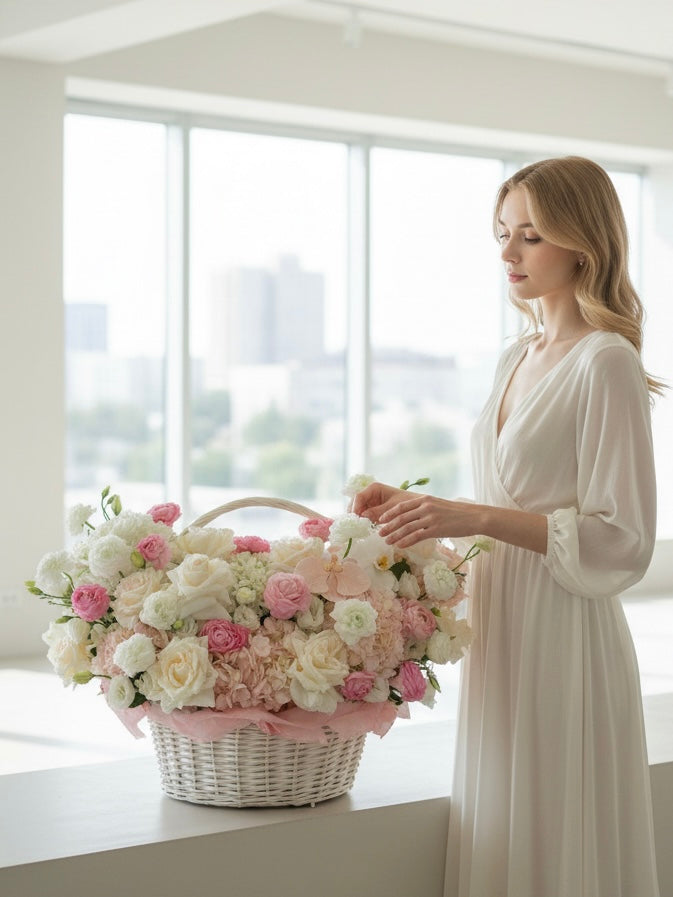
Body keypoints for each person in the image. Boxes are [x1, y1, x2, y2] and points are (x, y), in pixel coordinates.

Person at [353, 156, 663, 897]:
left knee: (557, 814)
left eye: (529, 235)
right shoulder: (513, 356)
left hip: (562, 624)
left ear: (581, 243)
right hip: (501, 619)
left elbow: (623, 536)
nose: (507, 253)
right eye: (502, 233)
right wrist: (422, 509)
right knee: (503, 807)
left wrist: (472, 514)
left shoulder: (606, 362)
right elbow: (508, 495)